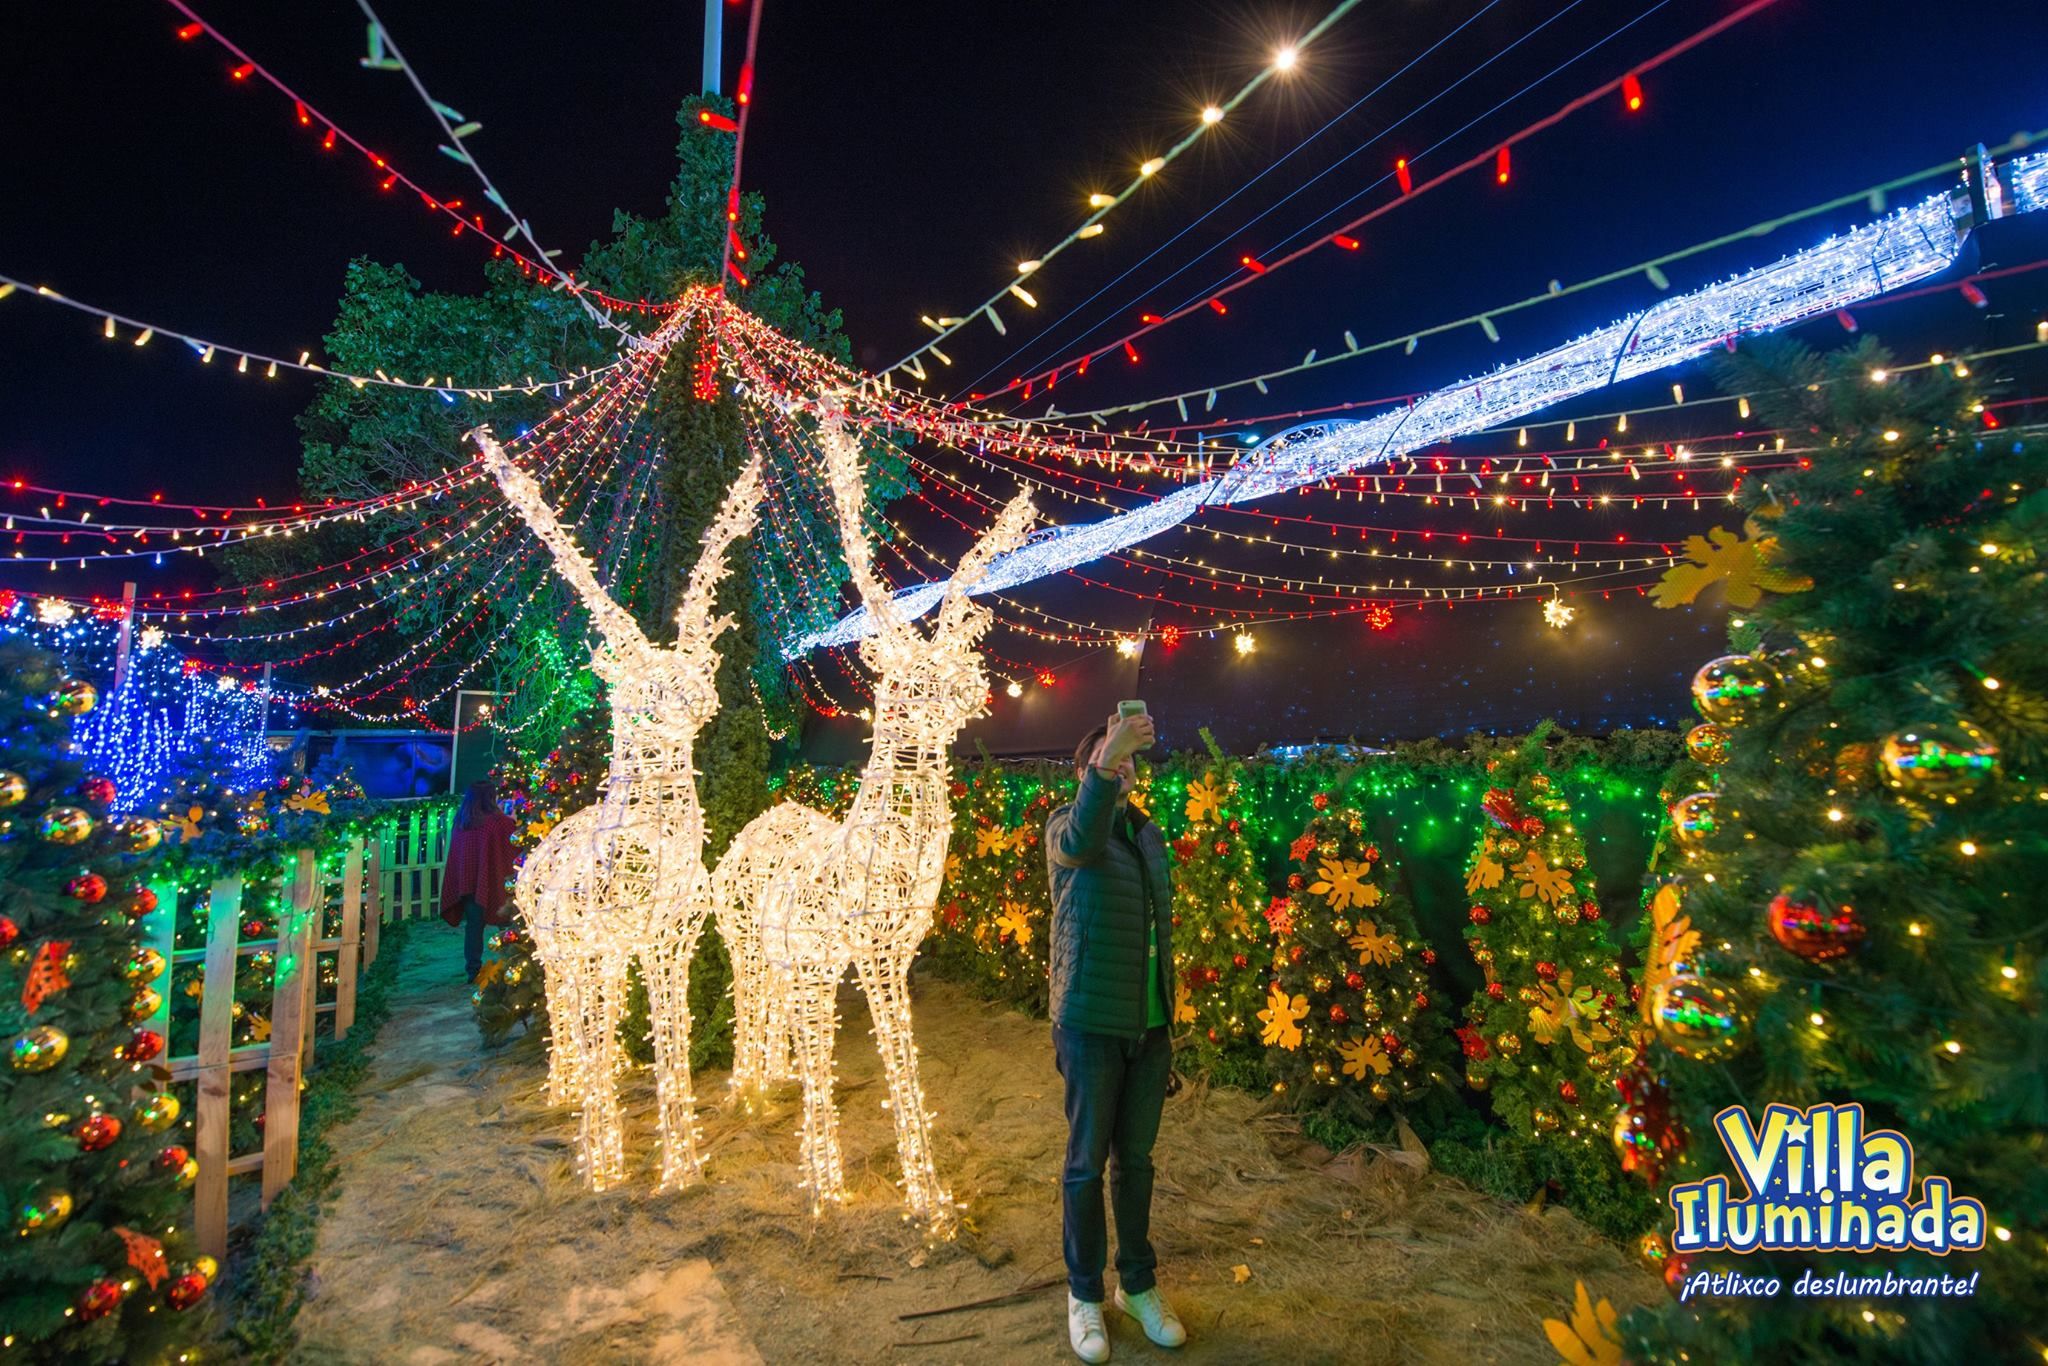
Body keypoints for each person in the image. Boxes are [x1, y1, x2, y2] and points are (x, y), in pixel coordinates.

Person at [1044, 710, 1187, 1362]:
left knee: (1137, 1163)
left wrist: (1167, 1012)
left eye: (1129, 758)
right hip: (1090, 1027)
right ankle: (1083, 1295)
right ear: (1084, 773)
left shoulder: (1146, 834)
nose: (1122, 765)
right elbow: (1082, 836)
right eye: (1107, 758)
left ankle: (1137, 1285)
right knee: (1084, 1167)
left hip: (1148, 1030)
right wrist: (1107, 760)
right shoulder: (1067, 830)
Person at [439, 778, 517, 982]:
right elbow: (513, 842)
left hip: (469, 884)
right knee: (506, 923)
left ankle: (472, 971)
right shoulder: (498, 822)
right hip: (495, 882)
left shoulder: (462, 821)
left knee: (473, 926)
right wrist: (512, 818)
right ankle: (512, 965)